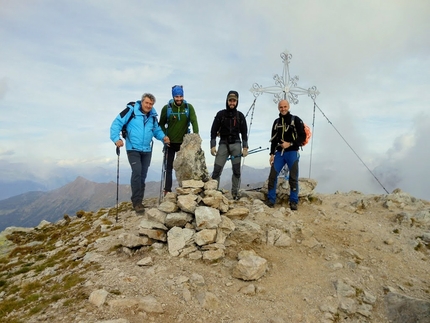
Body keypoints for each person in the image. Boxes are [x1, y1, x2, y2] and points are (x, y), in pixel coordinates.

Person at [110, 93, 170, 213]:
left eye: (151, 104)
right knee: (137, 172)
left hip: (146, 150)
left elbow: (156, 130)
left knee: (142, 175)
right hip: (132, 148)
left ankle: (139, 201)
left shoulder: (152, 117)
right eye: (147, 103)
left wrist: (164, 138)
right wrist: (116, 139)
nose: (148, 106)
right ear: (142, 102)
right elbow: (117, 123)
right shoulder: (131, 111)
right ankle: (136, 202)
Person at [266, 99, 306, 210]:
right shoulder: (276, 122)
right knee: (272, 175)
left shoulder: (296, 120)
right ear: (278, 108)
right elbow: (273, 139)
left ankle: (293, 201)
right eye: (281, 107)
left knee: (293, 178)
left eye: (285, 107)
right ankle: (271, 200)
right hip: (279, 153)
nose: (283, 109)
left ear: (288, 107)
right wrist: (272, 154)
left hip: (292, 152)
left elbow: (302, 136)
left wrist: (290, 144)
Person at [159, 85, 199, 194]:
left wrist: (196, 137)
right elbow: (161, 124)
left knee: (186, 166)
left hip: (184, 143)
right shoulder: (167, 109)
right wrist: (164, 137)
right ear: (173, 96)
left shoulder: (188, 107)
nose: (179, 99)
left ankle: (186, 188)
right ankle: (167, 190)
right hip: (170, 143)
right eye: (177, 96)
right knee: (168, 167)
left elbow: (194, 121)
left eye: (181, 96)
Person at [210, 90, 248, 200]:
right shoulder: (220, 115)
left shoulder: (240, 116)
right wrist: (213, 145)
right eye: (230, 100)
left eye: (234, 101)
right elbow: (213, 131)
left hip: (236, 144)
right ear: (227, 101)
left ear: (237, 102)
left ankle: (235, 193)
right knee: (217, 170)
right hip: (223, 144)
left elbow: (244, 133)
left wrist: (245, 147)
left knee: (236, 171)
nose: (232, 103)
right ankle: (213, 193)